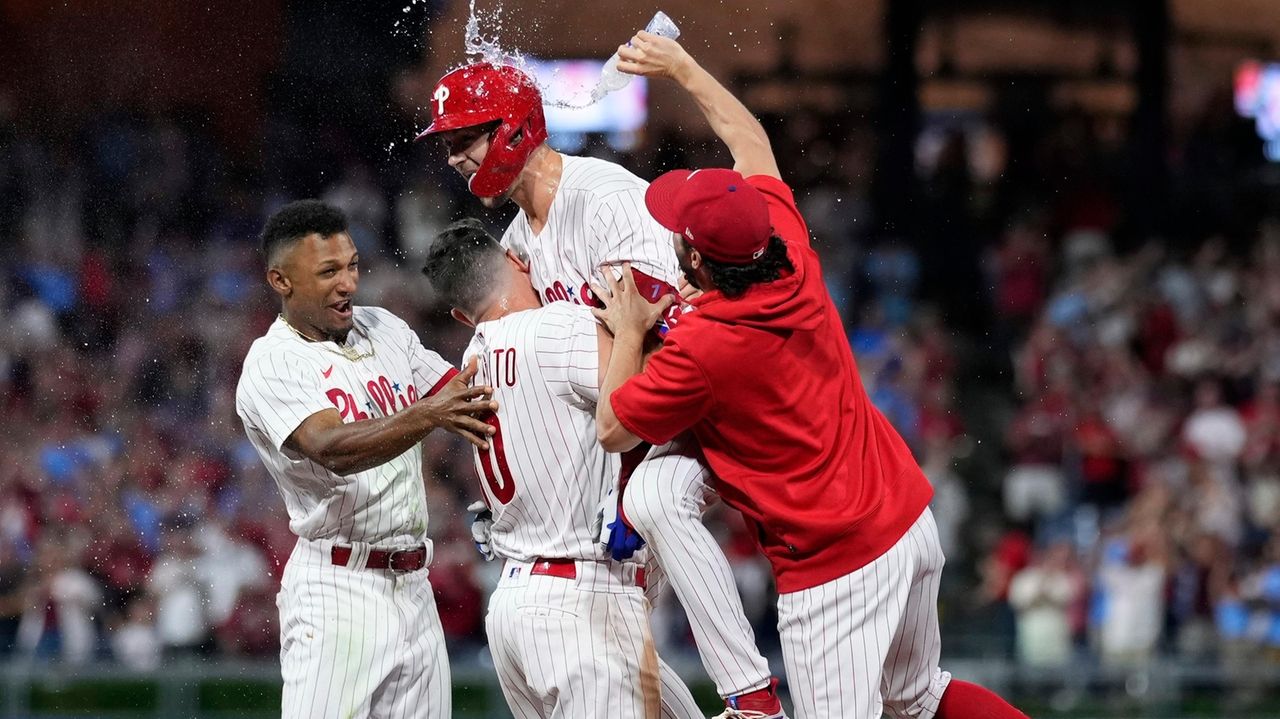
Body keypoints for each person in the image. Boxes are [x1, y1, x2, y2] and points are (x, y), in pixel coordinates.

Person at [592, 33, 1030, 719]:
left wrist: (627, 330)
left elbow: (614, 428)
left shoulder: (706, 343)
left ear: (702, 264)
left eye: (681, 235)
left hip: (838, 569)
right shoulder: (790, 253)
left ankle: (752, 696)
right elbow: (752, 144)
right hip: (907, 517)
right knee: (919, 697)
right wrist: (683, 67)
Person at [417, 62, 785, 717]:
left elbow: (683, 328)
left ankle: (752, 696)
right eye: (446, 143)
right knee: (617, 631)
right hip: (647, 428)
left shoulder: (601, 198)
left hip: (714, 395)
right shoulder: (516, 244)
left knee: (654, 500)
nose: (453, 157)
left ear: (513, 128)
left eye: (464, 138)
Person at [422, 218, 705, 719]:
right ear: (516, 261)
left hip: (514, 607)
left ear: (461, 315)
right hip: (582, 603)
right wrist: (637, 327)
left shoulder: (471, 359)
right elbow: (643, 406)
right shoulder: (557, 325)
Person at [235, 199, 496, 719]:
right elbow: (331, 449)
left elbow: (467, 394)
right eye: (328, 271)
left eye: (352, 265)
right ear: (281, 281)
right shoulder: (273, 362)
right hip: (338, 589)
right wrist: (428, 415)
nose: (348, 284)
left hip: (415, 585)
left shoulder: (383, 328)